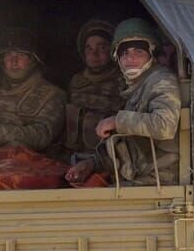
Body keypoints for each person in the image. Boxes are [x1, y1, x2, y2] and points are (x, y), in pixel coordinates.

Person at [66, 17, 181, 186]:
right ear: (117, 58)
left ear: (151, 54)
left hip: (160, 179)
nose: (130, 58)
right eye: (124, 53)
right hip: (143, 174)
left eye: (139, 52)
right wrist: (92, 164)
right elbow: (130, 148)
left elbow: (165, 125)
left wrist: (116, 121)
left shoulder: (161, 80)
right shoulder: (138, 87)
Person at [0, 27, 66, 153]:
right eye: (8, 55)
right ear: (1, 60)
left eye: (21, 55)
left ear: (33, 60)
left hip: (30, 166)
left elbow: (42, 135)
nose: (14, 62)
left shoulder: (51, 95)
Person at [61, 19, 123, 159]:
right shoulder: (76, 81)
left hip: (107, 158)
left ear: (113, 50)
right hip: (71, 155)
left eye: (102, 48)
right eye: (89, 48)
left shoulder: (123, 82)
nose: (94, 54)